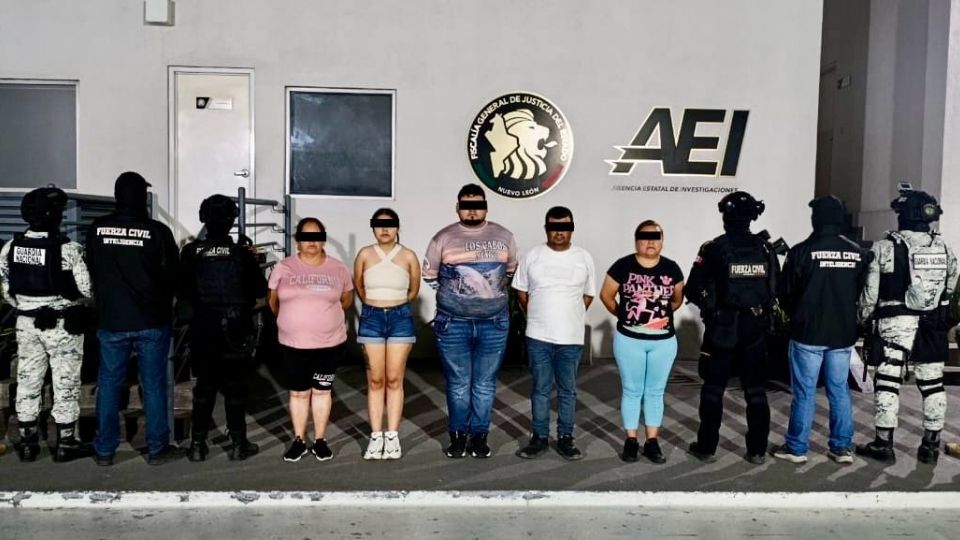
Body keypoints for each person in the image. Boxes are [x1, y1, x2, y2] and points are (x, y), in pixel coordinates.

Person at [856, 187, 958, 464]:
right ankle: (930, 445)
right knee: (933, 383)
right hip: (932, 322)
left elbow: (870, 293)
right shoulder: (943, 246)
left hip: (894, 321)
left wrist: (863, 318)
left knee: (888, 382)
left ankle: (883, 444)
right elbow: (950, 285)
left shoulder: (885, 246)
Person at [88, 171, 181, 466]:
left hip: (112, 320)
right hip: (151, 319)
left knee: (109, 383)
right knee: (153, 385)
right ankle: (157, 448)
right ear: (142, 197)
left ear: (117, 197)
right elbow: (173, 275)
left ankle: (105, 449)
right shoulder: (157, 231)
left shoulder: (97, 229)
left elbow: (92, 269)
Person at [769, 196, 868, 465]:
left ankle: (797, 448)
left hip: (808, 332)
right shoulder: (857, 253)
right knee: (839, 390)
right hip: (842, 334)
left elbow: (785, 292)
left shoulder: (801, 251)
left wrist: (798, 314)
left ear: (816, 219)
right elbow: (860, 291)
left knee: (805, 392)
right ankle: (842, 448)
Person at [685, 191, 781, 465]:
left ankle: (706, 447)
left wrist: (711, 307)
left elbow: (693, 288)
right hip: (754, 328)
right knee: (756, 392)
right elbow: (775, 288)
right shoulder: (765, 249)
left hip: (722, 328)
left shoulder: (714, 248)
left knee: (713, 389)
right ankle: (757, 450)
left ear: (725, 216)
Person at [423, 183, 518, 458]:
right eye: (467, 206)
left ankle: (479, 436)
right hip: (453, 324)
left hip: (494, 323)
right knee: (459, 383)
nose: (472, 211)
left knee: (485, 384)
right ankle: (457, 436)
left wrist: (486, 295)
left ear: (486, 207)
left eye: (477, 206)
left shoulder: (504, 236)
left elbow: (510, 272)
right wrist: (456, 297)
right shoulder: (443, 237)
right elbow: (429, 275)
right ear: (458, 208)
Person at [0, 187, 93, 462]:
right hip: (62, 324)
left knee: (28, 379)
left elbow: (6, 290)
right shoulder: (69, 249)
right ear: (54, 216)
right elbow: (86, 289)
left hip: (26, 322)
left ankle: (28, 442)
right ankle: (66, 442)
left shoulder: (11, 247)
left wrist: (28, 306)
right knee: (66, 382)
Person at [178, 195, 268, 462]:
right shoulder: (241, 253)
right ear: (232, 220)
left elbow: (182, 290)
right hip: (235, 327)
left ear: (203, 218)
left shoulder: (190, 252)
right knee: (235, 387)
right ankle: (239, 444)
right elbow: (259, 290)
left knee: (204, 387)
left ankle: (197, 445)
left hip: (203, 328)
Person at [512, 206, 596, 461]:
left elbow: (588, 294)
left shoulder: (584, 257)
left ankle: (565, 438)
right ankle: (539, 437)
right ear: (546, 229)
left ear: (572, 229)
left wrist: (570, 315)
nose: (559, 232)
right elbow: (521, 292)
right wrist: (540, 315)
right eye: (554, 227)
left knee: (567, 390)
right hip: (538, 336)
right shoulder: (532, 256)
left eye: (564, 227)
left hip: (570, 338)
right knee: (540, 388)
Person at [269, 218, 353, 462]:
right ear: (298, 241)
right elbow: (273, 302)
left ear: (323, 239)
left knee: (321, 391)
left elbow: (346, 300)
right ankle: (298, 440)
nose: (312, 242)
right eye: (306, 237)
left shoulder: (338, 268)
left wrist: (322, 318)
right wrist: (293, 321)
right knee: (298, 393)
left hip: (329, 345)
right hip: (293, 345)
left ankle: (320, 440)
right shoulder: (283, 267)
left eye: (316, 237)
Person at [600, 220, 684, 463]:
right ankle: (631, 440)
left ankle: (652, 442)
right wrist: (624, 316)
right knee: (632, 390)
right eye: (645, 237)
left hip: (663, 342)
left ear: (662, 240)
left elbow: (677, 299)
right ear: (636, 240)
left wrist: (656, 320)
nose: (650, 242)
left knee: (655, 392)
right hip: (629, 341)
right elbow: (606, 295)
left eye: (655, 237)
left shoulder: (671, 268)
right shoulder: (622, 266)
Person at [353, 208, 420, 460]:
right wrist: (374, 304)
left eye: (390, 224)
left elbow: (414, 290)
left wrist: (395, 305)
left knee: (394, 379)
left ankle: (392, 436)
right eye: (379, 224)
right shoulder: (364, 254)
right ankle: (376, 435)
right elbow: (359, 285)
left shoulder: (409, 256)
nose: (384, 229)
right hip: (371, 318)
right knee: (375, 379)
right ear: (373, 228)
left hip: (400, 318)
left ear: (398, 227)